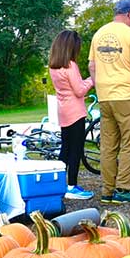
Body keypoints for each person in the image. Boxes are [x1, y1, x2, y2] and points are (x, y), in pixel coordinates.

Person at [88, 0, 130, 204]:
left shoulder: (99, 34)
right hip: (127, 95)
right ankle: (124, 189)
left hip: (105, 96)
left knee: (108, 145)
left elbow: (92, 66)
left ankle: (107, 190)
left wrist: (100, 87)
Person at [48, 30, 94, 200]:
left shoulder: (54, 66)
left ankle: (59, 183)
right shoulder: (70, 65)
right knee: (76, 149)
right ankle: (72, 186)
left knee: (65, 148)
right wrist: (92, 79)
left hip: (63, 111)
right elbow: (79, 90)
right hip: (75, 112)